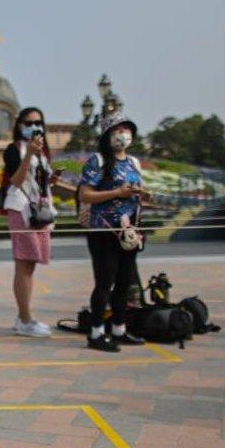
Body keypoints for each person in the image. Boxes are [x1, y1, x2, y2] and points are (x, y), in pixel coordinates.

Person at [78, 112, 150, 352]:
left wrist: (142, 195)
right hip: (103, 230)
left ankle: (120, 329)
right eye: (117, 129)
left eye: (126, 129)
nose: (122, 134)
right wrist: (117, 193)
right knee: (104, 282)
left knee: (124, 282)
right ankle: (96, 332)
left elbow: (139, 193)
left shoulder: (133, 163)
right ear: (107, 134)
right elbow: (85, 195)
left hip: (129, 230)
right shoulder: (97, 161)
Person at [0, 107, 59, 337]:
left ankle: (24, 316)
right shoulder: (14, 150)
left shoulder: (43, 153)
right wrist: (28, 155)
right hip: (21, 210)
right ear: (19, 124)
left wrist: (52, 179)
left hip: (40, 211)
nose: (34, 126)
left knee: (30, 265)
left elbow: (39, 183)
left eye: (38, 122)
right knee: (23, 263)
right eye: (28, 122)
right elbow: (15, 180)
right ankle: (25, 319)